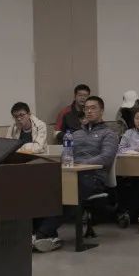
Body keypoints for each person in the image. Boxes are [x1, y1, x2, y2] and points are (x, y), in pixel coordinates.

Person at [33, 96, 118, 252]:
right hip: (73, 174)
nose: (89, 111)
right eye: (86, 108)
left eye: (93, 108)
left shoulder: (109, 134)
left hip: (93, 177)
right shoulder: (76, 134)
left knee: (71, 192)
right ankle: (45, 234)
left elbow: (106, 157)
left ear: (101, 111)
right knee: (45, 188)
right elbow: (65, 155)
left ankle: (41, 234)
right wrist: (70, 164)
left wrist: (81, 164)